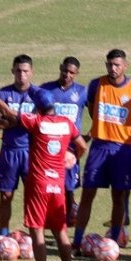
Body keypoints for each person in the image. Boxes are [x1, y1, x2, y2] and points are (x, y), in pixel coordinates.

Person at [0, 77, 86, 261]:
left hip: (38, 185)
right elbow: (81, 146)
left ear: (37, 107)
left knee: (37, 230)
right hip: (57, 185)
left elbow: (6, 111)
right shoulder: (66, 124)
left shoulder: (37, 122)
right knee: (61, 231)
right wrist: (71, 157)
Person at [74, 49, 131, 250]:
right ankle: (77, 241)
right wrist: (101, 127)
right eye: (110, 64)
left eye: (117, 65)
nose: (113, 68)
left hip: (122, 149)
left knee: (119, 196)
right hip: (99, 147)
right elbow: (92, 107)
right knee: (87, 194)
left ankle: (113, 242)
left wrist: (129, 129)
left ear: (125, 66)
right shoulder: (96, 85)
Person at [0, 55, 39, 238]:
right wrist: (24, 120)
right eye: (18, 70)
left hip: (31, 152)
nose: (22, 75)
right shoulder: (2, 94)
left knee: (32, 196)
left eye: (25, 71)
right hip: (9, 151)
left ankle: (35, 233)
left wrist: (12, 118)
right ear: (12, 71)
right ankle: (3, 235)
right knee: (5, 196)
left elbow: (38, 124)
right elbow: (0, 124)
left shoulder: (38, 94)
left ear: (31, 72)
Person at [39, 56, 88, 228]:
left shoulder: (82, 92)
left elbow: (98, 115)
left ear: (77, 74)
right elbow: (36, 114)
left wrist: (85, 138)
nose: (67, 74)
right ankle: (45, 220)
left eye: (71, 72)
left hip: (70, 149)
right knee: (48, 186)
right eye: (65, 70)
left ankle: (66, 221)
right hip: (48, 147)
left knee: (68, 188)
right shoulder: (46, 89)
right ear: (60, 68)